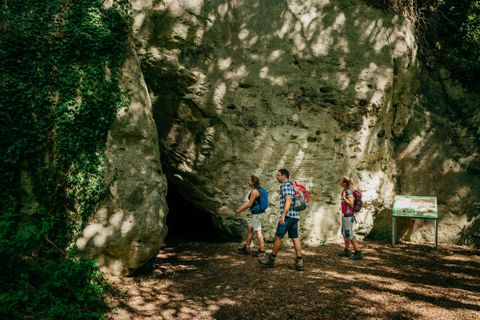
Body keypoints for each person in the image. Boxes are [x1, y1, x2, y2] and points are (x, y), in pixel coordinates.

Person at [258, 168, 304, 270]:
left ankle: (271, 260)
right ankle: (299, 262)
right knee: (295, 238)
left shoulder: (285, 185)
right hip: (295, 216)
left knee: (278, 237)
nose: (277, 177)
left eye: (278, 175)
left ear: (284, 176)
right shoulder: (291, 185)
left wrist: (283, 215)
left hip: (287, 216)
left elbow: (288, 200)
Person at [235, 175, 266, 257]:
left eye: (249, 180)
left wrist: (240, 210)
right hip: (258, 213)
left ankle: (262, 251)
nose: (247, 181)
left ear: (252, 182)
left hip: (257, 214)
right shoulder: (261, 190)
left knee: (258, 232)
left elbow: (249, 204)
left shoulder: (255, 191)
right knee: (250, 229)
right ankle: (247, 248)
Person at [338, 177, 363, 260]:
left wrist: (344, 198)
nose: (340, 182)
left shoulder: (348, 192)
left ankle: (358, 252)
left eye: (342, 181)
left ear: (345, 183)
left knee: (349, 233)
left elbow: (351, 204)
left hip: (349, 216)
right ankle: (347, 250)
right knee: (344, 233)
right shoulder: (345, 190)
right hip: (346, 215)